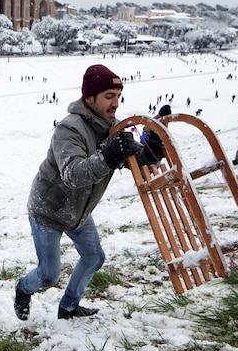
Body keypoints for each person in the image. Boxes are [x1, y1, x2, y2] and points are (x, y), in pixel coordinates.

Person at [15, 64, 156, 321]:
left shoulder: (111, 127)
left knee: (93, 258)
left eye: (118, 96)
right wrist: (109, 155)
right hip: (49, 210)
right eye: (108, 96)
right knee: (49, 275)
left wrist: (151, 153)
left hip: (79, 211)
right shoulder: (69, 129)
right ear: (89, 98)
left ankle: (68, 307)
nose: (115, 103)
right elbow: (73, 175)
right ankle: (23, 288)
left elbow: (132, 159)